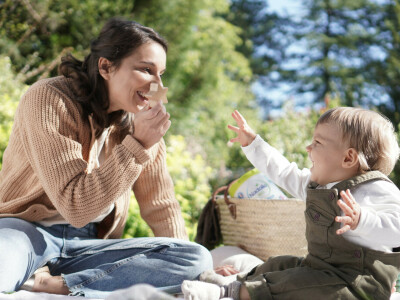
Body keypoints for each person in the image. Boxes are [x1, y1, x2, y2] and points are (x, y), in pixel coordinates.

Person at [0, 18, 212, 298]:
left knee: (195, 258)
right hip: (26, 231)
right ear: (105, 66)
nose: (157, 85)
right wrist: (137, 144)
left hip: (89, 247)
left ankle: (62, 284)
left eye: (161, 74)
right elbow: (76, 207)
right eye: (146, 70)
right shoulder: (49, 99)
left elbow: (160, 205)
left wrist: (201, 274)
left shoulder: (139, 124)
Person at [182, 107, 400, 300]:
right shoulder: (318, 186)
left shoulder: (375, 189)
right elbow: (284, 172)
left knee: (297, 284)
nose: (308, 147)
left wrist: (363, 221)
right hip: (319, 267)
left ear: (348, 158)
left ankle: (228, 292)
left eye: (317, 142)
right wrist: (253, 144)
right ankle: (239, 280)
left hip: (357, 284)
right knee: (279, 264)